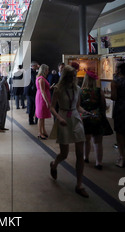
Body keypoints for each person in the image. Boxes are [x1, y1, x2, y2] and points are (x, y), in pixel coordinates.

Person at [49, 65, 90, 198]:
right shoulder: (58, 89)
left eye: (74, 76)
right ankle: (54, 164)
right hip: (63, 119)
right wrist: (59, 118)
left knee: (80, 153)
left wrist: (85, 112)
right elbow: (51, 107)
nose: (73, 79)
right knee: (64, 153)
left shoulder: (77, 89)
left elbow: (77, 106)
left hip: (75, 120)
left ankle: (79, 185)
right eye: (71, 76)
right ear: (65, 77)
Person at [80, 70, 108, 170]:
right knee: (97, 142)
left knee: (86, 140)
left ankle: (85, 157)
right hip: (97, 118)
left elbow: (78, 105)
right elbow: (103, 105)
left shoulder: (81, 91)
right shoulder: (98, 91)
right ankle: (98, 162)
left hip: (85, 117)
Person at [35, 64, 52, 140]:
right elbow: (42, 91)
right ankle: (40, 133)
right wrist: (47, 102)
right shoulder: (41, 79)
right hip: (41, 98)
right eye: (47, 70)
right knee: (40, 116)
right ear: (44, 70)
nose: (48, 71)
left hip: (42, 97)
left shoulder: (41, 78)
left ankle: (43, 130)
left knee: (43, 116)